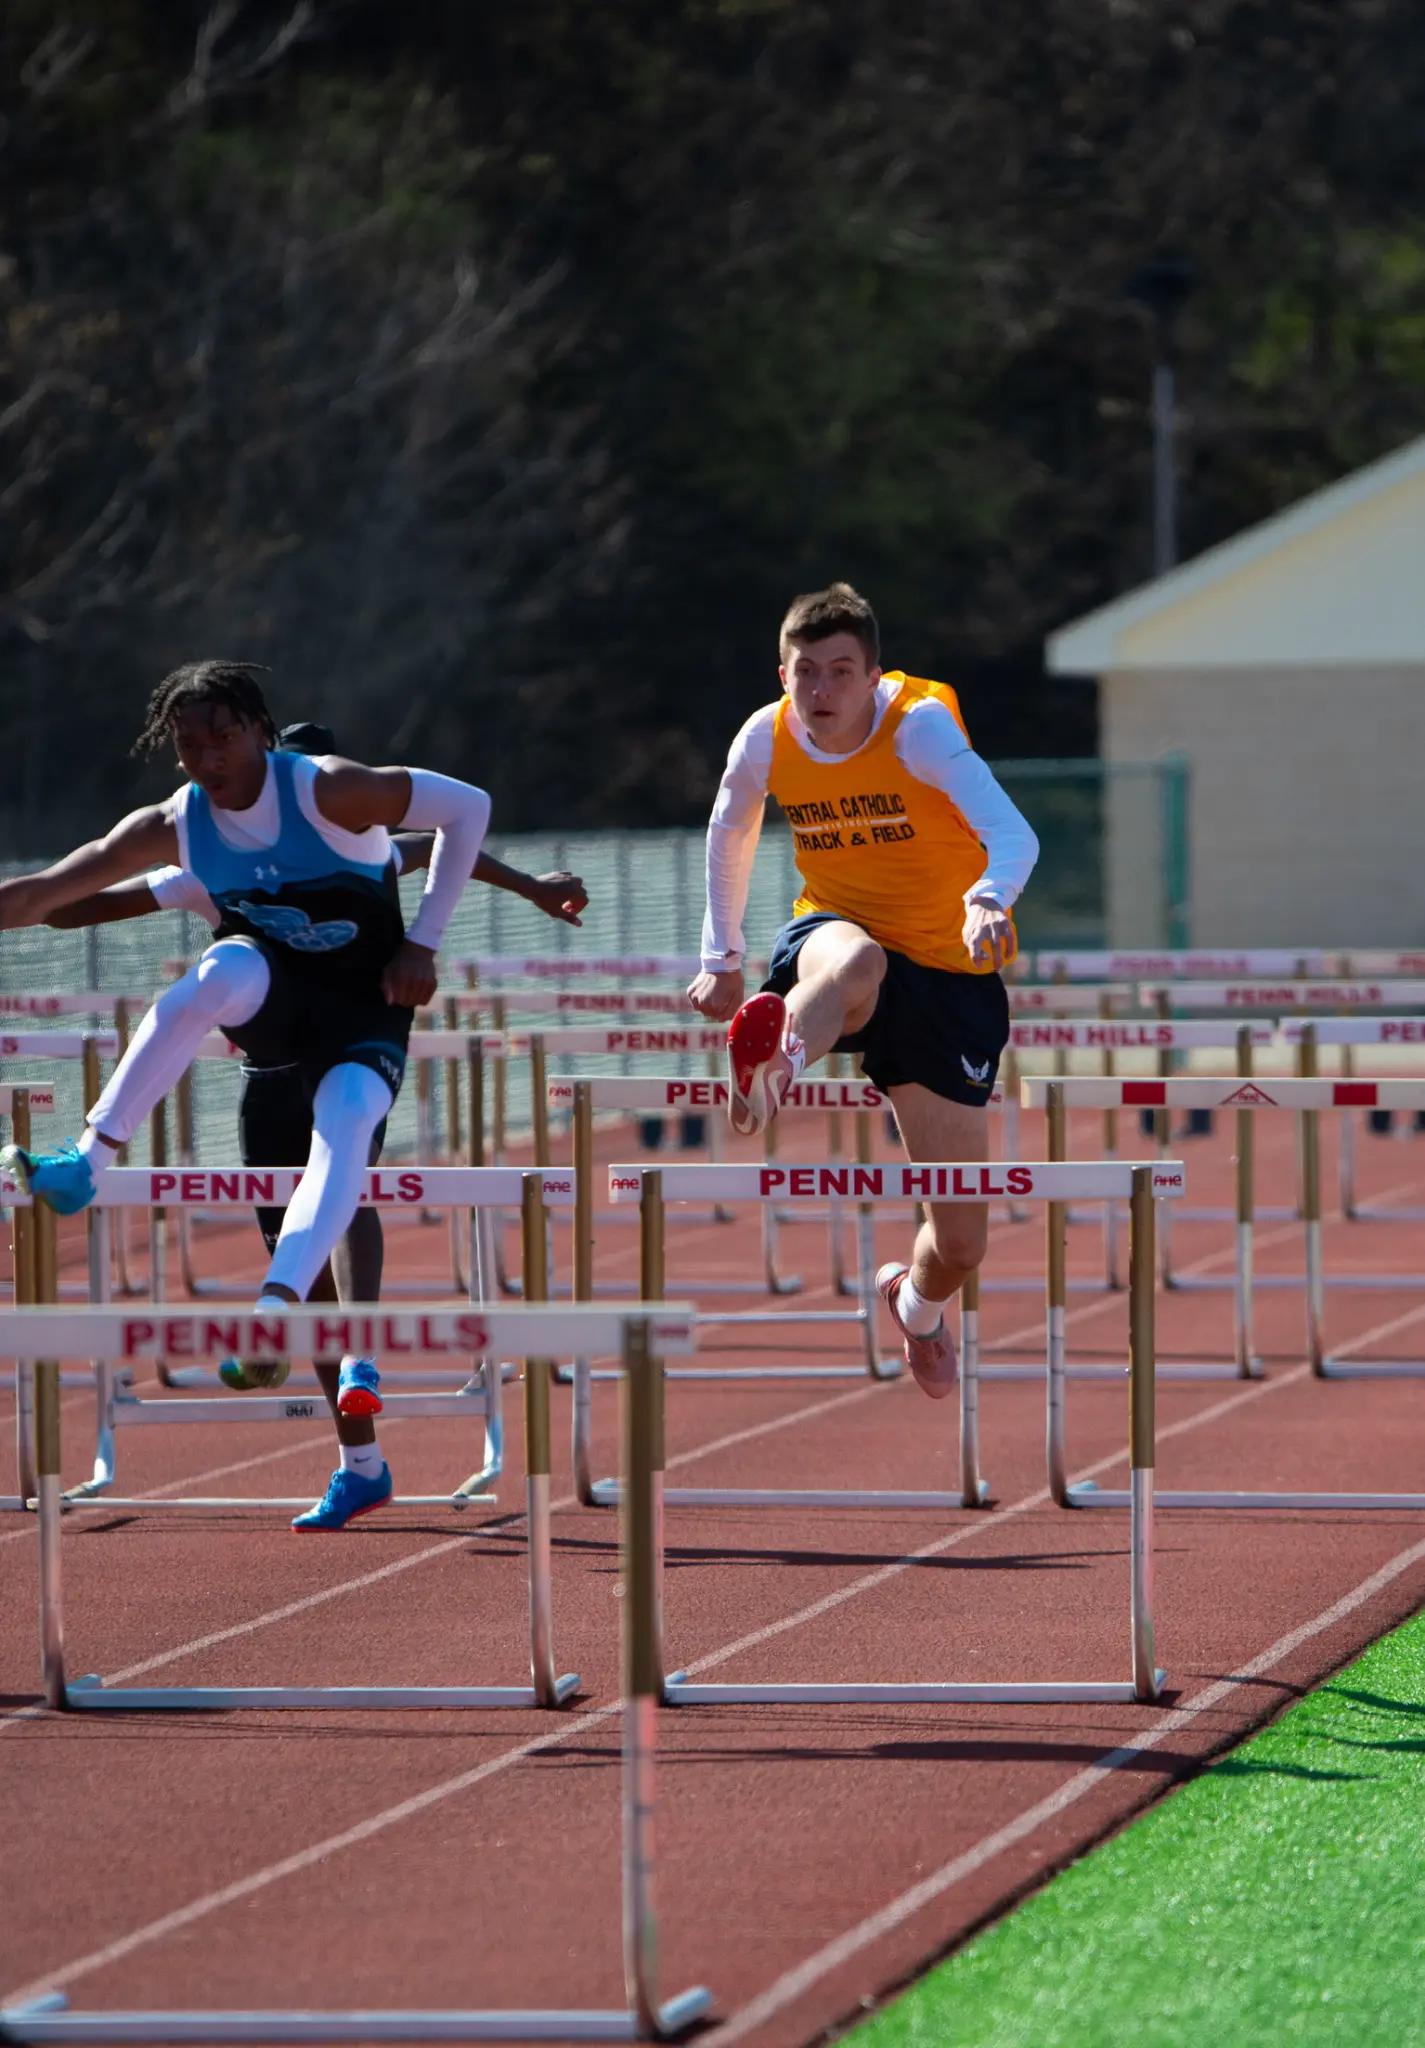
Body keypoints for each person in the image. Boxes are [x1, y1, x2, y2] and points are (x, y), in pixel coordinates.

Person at [40, 718, 589, 1528]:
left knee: (342, 1194)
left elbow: (439, 845)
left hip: (345, 1048)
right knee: (301, 1250)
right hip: (269, 1075)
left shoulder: (356, 838)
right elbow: (91, 905)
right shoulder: (214, 853)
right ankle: (359, 1459)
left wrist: (533, 889)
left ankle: (359, 1346)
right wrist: (55, 894)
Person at [687, 583, 1039, 1397]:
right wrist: (723, 955)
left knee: (960, 1244)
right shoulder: (765, 738)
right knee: (853, 964)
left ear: (873, 675)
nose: (821, 692)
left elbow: (1012, 832)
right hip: (839, 928)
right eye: (805, 672)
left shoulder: (918, 728)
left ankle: (913, 1306)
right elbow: (729, 828)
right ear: (781, 675)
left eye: (840, 672)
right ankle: (773, 1062)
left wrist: (987, 899)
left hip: (950, 971)